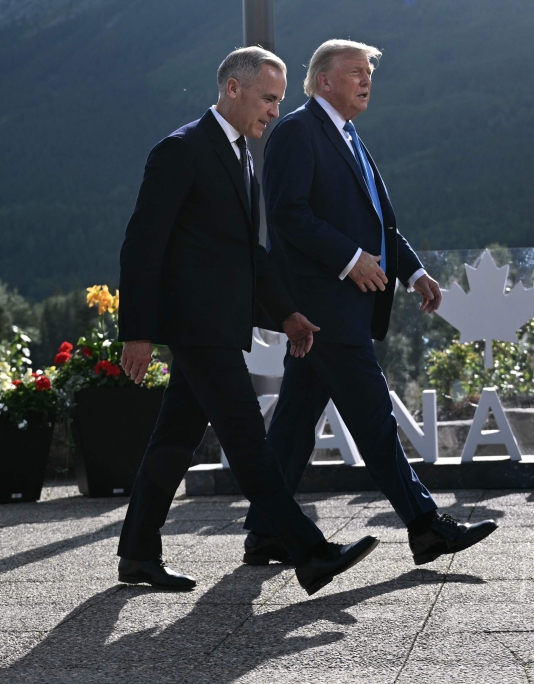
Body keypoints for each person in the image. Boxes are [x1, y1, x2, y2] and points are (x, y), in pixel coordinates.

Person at [115, 47, 379, 595]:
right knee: (249, 442)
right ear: (232, 90)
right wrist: (137, 331)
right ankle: (308, 551)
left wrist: (286, 315)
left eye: (279, 100)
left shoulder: (243, 158)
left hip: (217, 328)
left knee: (172, 442)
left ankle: (138, 554)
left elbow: (249, 256)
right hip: (196, 329)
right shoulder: (180, 151)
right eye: (267, 99)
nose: (275, 112)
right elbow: (142, 246)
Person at [245, 39, 497, 567]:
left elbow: (381, 224)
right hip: (325, 307)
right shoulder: (296, 131)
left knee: (293, 424)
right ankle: (425, 526)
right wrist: (349, 259)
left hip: (336, 311)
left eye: (369, 74)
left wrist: (415, 272)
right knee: (375, 418)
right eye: (355, 71)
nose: (366, 81)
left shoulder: (349, 135)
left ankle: (266, 530)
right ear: (324, 80)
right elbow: (288, 214)